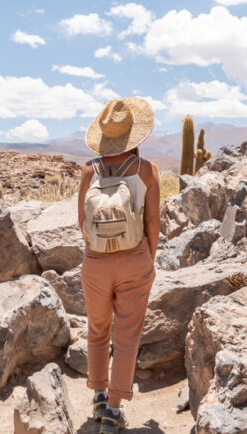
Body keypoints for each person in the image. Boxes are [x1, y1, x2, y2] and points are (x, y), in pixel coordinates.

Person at [77, 97, 160, 433]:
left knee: (97, 331)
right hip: (134, 261)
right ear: (134, 135)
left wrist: (98, 249)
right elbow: (152, 221)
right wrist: (147, 260)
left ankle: (98, 395)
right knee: (126, 338)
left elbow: (81, 222)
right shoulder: (146, 170)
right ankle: (112, 412)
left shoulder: (88, 170)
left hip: (95, 262)